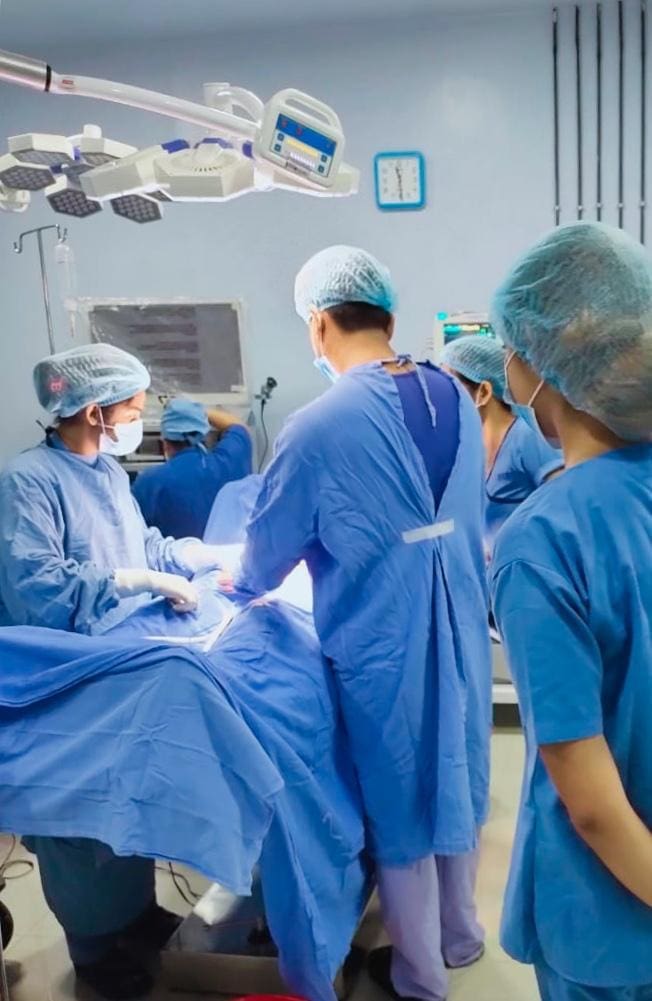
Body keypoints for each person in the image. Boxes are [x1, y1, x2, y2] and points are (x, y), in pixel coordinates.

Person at [230, 246, 493, 1001]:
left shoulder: (317, 425)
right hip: (459, 627)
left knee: (403, 795)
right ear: (388, 314)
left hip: (386, 643)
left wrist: (236, 577)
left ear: (318, 325)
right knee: (458, 775)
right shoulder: (455, 391)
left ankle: (420, 976)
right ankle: (460, 936)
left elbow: (264, 559)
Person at [0, 342, 224, 1000]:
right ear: (95, 411)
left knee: (130, 802)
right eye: (132, 406)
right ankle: (93, 949)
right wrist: (134, 578)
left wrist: (190, 555)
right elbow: (38, 587)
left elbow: (140, 541)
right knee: (81, 821)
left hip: (118, 665)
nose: (140, 415)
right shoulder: (28, 480)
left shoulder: (105, 474)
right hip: (62, 680)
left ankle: (133, 915)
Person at [490, 222, 652, 1001]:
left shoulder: (546, 539)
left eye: (508, 347)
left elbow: (589, 802)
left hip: (611, 926)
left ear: (543, 365)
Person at [440, 335, 562, 558]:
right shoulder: (469, 445)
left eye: (449, 385)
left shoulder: (527, 438)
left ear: (484, 392)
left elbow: (565, 511)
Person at [132, 398, 252, 539]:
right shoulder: (230, 460)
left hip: (178, 560)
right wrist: (196, 410)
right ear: (203, 434)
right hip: (231, 558)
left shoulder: (148, 483)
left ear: (164, 443)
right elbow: (238, 426)